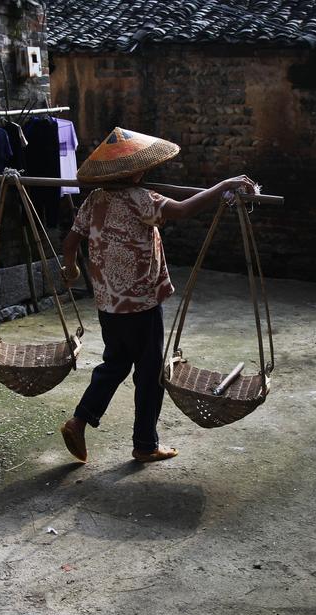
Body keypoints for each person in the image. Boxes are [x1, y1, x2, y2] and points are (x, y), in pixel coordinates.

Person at [59, 127, 254, 463]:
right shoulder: (141, 200)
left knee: (115, 363)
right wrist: (224, 185)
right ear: (135, 172)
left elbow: (70, 242)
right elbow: (181, 211)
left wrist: (72, 269)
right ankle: (145, 444)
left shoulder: (95, 200)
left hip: (108, 304)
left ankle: (80, 420)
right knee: (150, 373)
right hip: (140, 305)